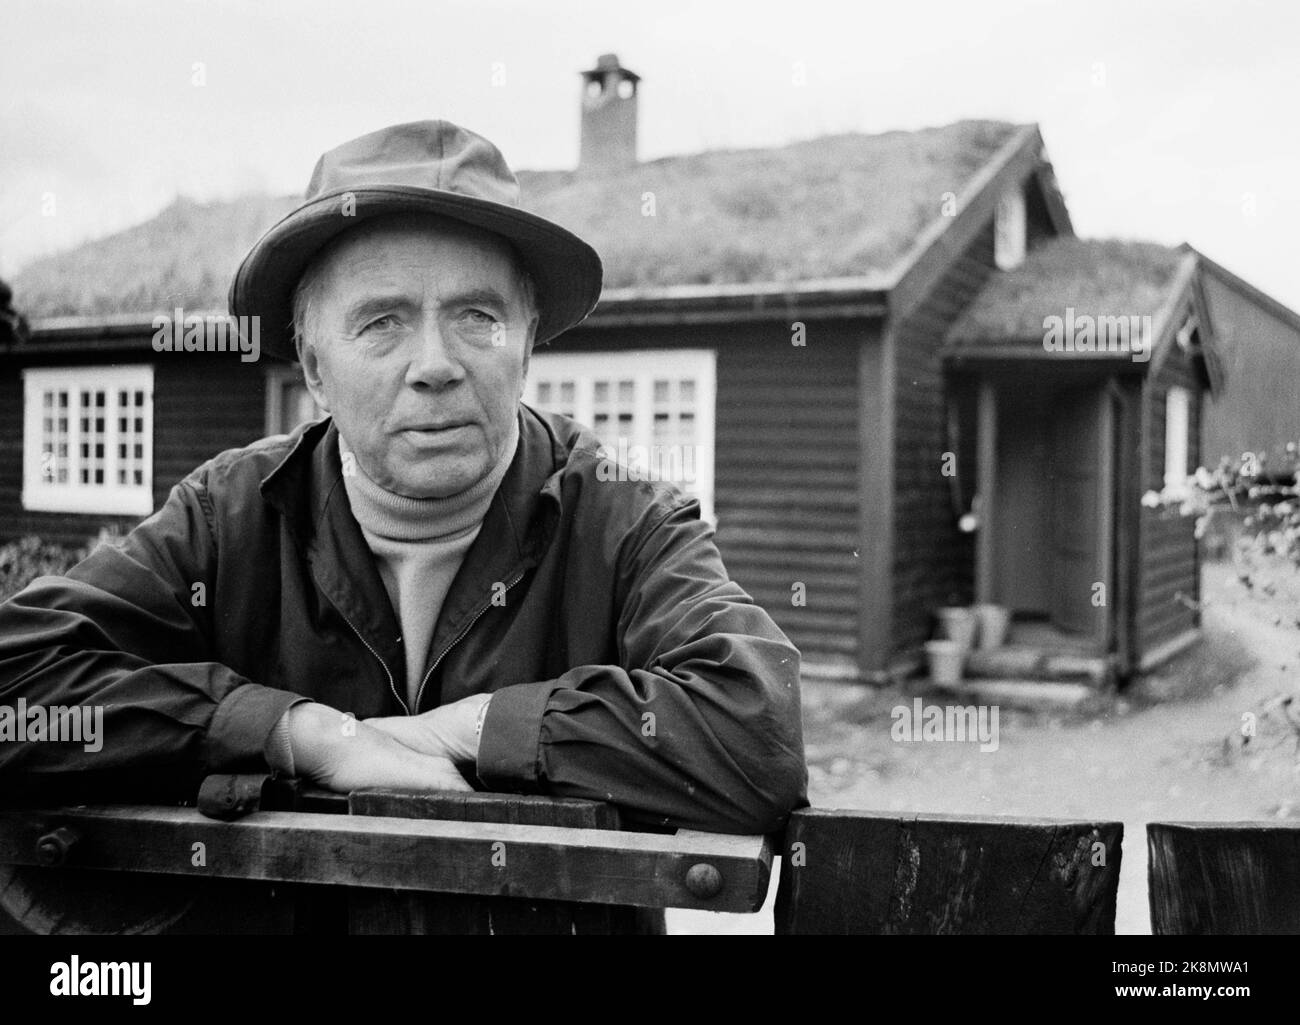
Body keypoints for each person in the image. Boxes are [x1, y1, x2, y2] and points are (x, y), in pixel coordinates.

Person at [0, 121, 807, 834]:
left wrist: (478, 728)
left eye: (477, 317)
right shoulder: (229, 516)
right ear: (315, 368)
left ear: (525, 347)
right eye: (382, 322)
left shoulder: (626, 520)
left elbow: (757, 731)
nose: (436, 366)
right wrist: (300, 733)